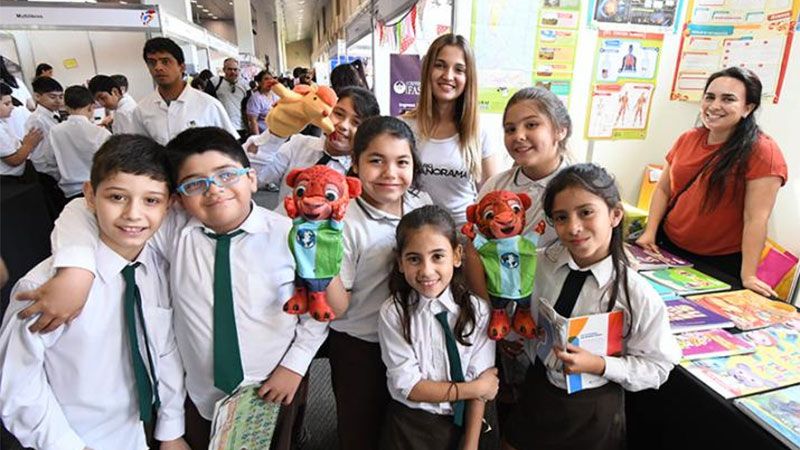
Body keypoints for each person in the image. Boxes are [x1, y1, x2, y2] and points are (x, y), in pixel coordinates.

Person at [24, 127, 329, 450]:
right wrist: (76, 269)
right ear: (179, 199)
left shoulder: (292, 237)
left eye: (226, 175)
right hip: (197, 391)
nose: (214, 190)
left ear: (252, 178)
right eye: (195, 183)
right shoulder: (175, 231)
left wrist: (294, 365)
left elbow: (318, 306)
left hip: (274, 381)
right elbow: (82, 209)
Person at [0, 134, 188, 450]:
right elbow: (17, 384)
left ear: (169, 204)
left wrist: (171, 429)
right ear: (90, 195)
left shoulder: (158, 265)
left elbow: (165, 347)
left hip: (146, 428)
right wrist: (68, 445)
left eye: (151, 200)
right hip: (81, 436)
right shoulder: (42, 289)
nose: (133, 214)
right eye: (116, 197)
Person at [502, 163, 681, 450]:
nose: (573, 227)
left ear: (615, 214)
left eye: (586, 212)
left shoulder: (636, 294)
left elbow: (658, 367)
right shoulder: (539, 263)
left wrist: (599, 364)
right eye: (561, 217)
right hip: (538, 389)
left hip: (592, 409)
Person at [463, 86, 572, 425]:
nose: (519, 136)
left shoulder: (580, 185)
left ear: (560, 130)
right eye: (510, 128)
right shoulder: (495, 186)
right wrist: (495, 320)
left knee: (553, 412)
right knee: (512, 403)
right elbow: (475, 254)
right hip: (505, 319)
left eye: (531, 125)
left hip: (558, 319)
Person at [324, 116, 432, 450]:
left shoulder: (421, 204)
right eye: (375, 161)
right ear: (354, 163)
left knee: (409, 426)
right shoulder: (343, 221)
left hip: (415, 340)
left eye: (402, 162)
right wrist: (318, 258)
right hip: (361, 345)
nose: (390, 173)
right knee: (360, 428)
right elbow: (337, 307)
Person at [635, 67, 787, 297]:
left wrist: (748, 275)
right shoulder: (688, 138)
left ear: (748, 108)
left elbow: (756, 218)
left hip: (719, 264)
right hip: (668, 249)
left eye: (728, 99)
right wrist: (650, 232)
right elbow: (664, 189)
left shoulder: (763, 151)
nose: (715, 106)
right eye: (710, 97)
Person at [378, 204, 499, 450]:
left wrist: (471, 443)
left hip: (471, 420)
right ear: (400, 262)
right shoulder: (394, 313)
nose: (426, 271)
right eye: (414, 259)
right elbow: (410, 387)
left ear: (456, 256)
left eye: (437, 256)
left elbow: (482, 384)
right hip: (413, 424)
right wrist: (475, 387)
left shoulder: (479, 310)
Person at [402, 33, 500, 226]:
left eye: (459, 69)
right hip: (415, 237)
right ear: (428, 70)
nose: (448, 76)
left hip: (464, 239)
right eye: (440, 65)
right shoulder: (404, 127)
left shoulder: (480, 132)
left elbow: (494, 199)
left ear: (468, 77)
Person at [246, 86, 380, 205]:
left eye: (356, 122)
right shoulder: (298, 145)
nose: (343, 126)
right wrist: (276, 134)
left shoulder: (363, 170)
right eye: (338, 114)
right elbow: (252, 178)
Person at [128, 37, 238, 145]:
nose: (158, 67)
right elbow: (139, 152)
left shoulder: (208, 105)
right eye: (152, 62)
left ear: (182, 67)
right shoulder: (142, 110)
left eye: (165, 61)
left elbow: (232, 148)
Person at [50, 85, 112, 198]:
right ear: (91, 107)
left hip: (70, 192)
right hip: (97, 188)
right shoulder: (101, 133)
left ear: (66, 107)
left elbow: (50, 162)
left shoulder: (55, 131)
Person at [25, 76, 66, 217]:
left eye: (61, 96)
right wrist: (55, 175)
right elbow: (42, 154)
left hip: (58, 170)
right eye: (52, 97)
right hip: (48, 173)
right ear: (37, 96)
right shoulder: (37, 120)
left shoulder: (55, 114)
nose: (58, 101)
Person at [0, 83, 42, 182]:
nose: (12, 107)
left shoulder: (3, 122)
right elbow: (14, 160)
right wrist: (28, 145)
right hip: (8, 179)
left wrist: (23, 143)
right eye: (7, 104)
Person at [210, 58, 250, 137]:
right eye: (229, 69)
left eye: (235, 69)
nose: (233, 72)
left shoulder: (245, 85)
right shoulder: (214, 83)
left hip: (241, 128)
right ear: (224, 70)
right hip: (222, 127)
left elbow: (247, 108)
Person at [245, 70, 280, 135]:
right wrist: (257, 139)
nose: (269, 81)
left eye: (271, 79)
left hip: (277, 133)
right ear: (259, 82)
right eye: (266, 79)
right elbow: (253, 121)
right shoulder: (256, 98)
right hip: (264, 134)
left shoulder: (276, 96)